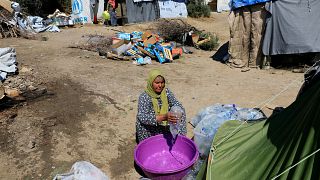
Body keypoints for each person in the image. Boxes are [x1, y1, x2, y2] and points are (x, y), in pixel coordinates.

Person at [136, 69, 187, 143]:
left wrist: (176, 113)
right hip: (151, 127)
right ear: (151, 83)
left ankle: (179, 140)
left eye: (162, 82)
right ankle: (148, 143)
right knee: (140, 121)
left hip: (164, 124)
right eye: (157, 83)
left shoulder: (166, 92)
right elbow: (142, 117)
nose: (160, 85)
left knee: (181, 111)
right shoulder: (144, 96)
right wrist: (163, 117)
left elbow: (176, 103)